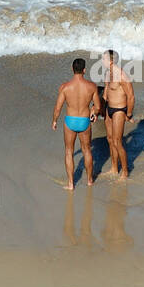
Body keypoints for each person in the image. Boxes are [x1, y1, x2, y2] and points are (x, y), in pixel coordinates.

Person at [52, 57, 100, 190]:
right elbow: (97, 106)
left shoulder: (65, 87)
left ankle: (71, 184)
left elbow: (58, 108)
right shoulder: (91, 86)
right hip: (84, 121)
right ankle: (90, 180)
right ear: (84, 70)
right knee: (87, 151)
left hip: (70, 121)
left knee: (69, 151)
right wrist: (93, 113)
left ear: (72, 69)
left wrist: (55, 121)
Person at [100, 49, 135, 180]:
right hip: (108, 109)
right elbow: (105, 94)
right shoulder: (107, 73)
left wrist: (129, 113)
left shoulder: (122, 75)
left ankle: (125, 172)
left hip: (119, 110)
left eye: (103, 58)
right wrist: (98, 110)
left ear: (111, 60)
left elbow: (131, 96)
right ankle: (114, 168)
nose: (102, 61)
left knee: (117, 141)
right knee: (109, 139)